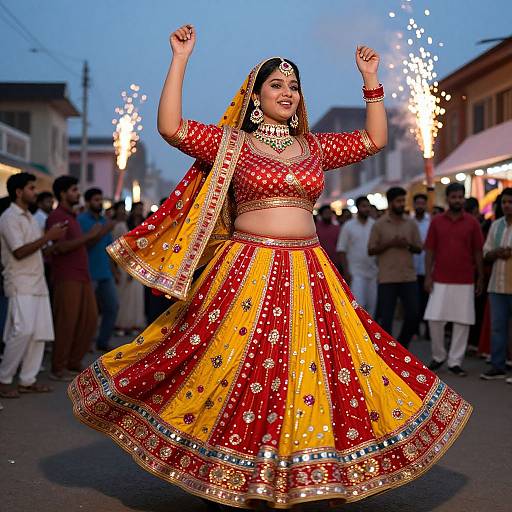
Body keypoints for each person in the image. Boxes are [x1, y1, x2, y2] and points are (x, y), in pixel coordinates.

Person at [68, 25, 471, 510]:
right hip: (247, 271)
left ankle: (302, 472)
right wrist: (180, 59)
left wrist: (371, 81)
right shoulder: (232, 143)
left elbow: (373, 138)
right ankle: (234, 471)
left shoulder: (314, 148)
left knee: (313, 372)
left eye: (294, 86)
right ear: (255, 97)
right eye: (276, 85)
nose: (287, 92)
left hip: (309, 273)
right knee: (235, 368)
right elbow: (172, 128)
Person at [0, 173, 66, 399]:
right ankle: (4, 379)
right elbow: (19, 252)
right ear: (18, 192)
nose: (35, 192)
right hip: (20, 282)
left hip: (38, 283)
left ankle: (28, 380)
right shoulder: (9, 217)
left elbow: (37, 250)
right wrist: (48, 235)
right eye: (31, 188)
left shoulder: (29, 216)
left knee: (39, 334)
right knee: (23, 331)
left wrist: (53, 239)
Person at [424, 183, 484, 377]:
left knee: (462, 322)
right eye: (454, 197)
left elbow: (477, 251)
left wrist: (480, 277)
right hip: (440, 278)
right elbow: (430, 251)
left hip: (465, 279)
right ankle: (439, 356)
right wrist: (428, 276)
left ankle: (455, 362)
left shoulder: (472, 223)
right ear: (447, 199)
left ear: (464, 198)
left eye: (460, 197)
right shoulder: (437, 221)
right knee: (434, 319)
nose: (457, 200)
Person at [47, 176, 101, 381]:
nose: (78, 193)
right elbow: (59, 248)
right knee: (66, 322)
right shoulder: (57, 216)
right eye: (73, 190)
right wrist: (89, 236)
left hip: (82, 275)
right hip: (67, 276)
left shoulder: (73, 217)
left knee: (89, 318)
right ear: (62, 194)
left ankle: (73, 361)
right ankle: (58, 367)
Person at [368, 187, 422, 348]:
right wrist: (390, 244)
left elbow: (419, 248)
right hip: (387, 278)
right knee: (386, 320)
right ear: (390, 203)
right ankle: (386, 354)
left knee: (414, 316)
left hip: (408, 276)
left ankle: (401, 347)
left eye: (403, 201)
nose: (401, 204)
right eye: (398, 201)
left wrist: (407, 244)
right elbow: (370, 250)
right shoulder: (379, 225)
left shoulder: (411, 224)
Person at [78, 188, 119, 351]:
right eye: (96, 200)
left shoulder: (103, 221)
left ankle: (103, 341)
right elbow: (86, 243)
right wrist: (104, 230)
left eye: (100, 199)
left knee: (112, 306)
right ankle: (85, 342)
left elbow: (108, 248)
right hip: (88, 272)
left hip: (105, 273)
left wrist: (114, 270)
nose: (99, 202)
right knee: (88, 312)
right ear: (88, 202)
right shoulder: (81, 220)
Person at [480, 188, 512, 383]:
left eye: (510, 202)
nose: (507, 205)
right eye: (504, 202)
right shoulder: (496, 226)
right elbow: (486, 253)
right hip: (497, 287)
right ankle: (498, 366)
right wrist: (498, 252)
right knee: (498, 328)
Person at [336, 196, 378, 315]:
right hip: (356, 273)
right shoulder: (348, 226)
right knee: (359, 306)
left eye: (368, 206)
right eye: (364, 206)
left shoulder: (374, 225)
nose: (367, 209)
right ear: (358, 208)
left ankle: (370, 333)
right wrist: (346, 272)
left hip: (373, 271)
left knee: (372, 306)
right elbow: (341, 250)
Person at [111, 201, 145, 333]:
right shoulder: (122, 226)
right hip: (124, 264)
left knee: (136, 295)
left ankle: (133, 324)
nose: (140, 211)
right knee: (125, 295)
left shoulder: (143, 224)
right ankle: (121, 324)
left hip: (139, 263)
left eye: (142, 209)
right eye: (138, 208)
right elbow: (116, 247)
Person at [412, 193, 430, 339]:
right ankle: (415, 330)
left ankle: (429, 332)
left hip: (427, 268)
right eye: (417, 203)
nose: (420, 206)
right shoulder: (409, 222)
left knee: (428, 301)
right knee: (415, 302)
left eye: (422, 203)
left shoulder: (430, 222)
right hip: (412, 269)